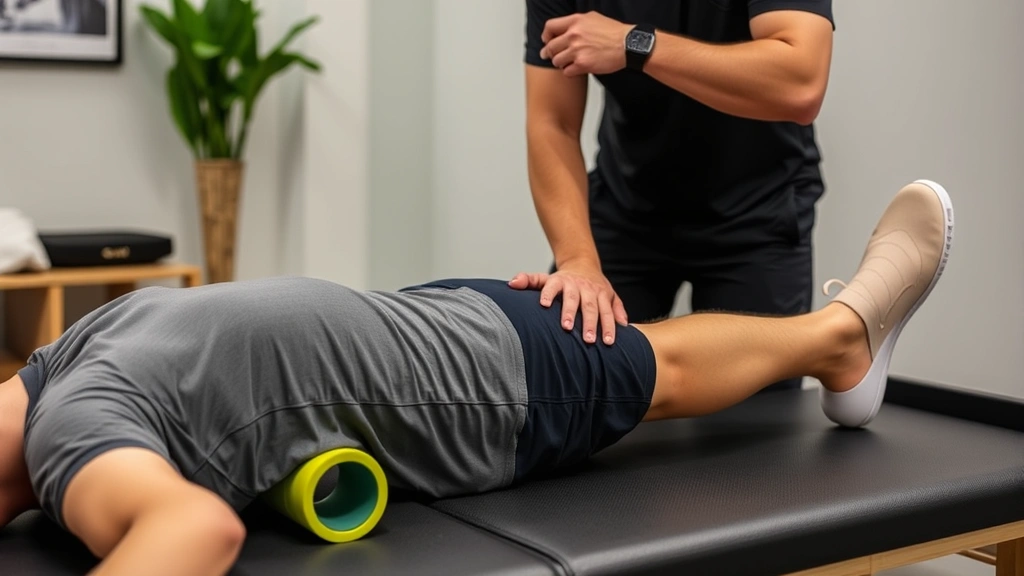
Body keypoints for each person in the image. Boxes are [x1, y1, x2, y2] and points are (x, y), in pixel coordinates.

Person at [0, 181, 951, 576]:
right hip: (478, 381)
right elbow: (192, 528)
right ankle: (846, 337)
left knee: (642, 354)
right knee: (656, 368)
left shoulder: (51, 384)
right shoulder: (68, 431)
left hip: (424, 323)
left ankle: (837, 344)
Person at [514, 0, 835, 392]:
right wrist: (577, 260)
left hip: (756, 214)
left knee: (756, 426)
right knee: (570, 388)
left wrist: (635, 44)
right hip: (626, 208)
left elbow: (800, 81)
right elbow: (553, 123)